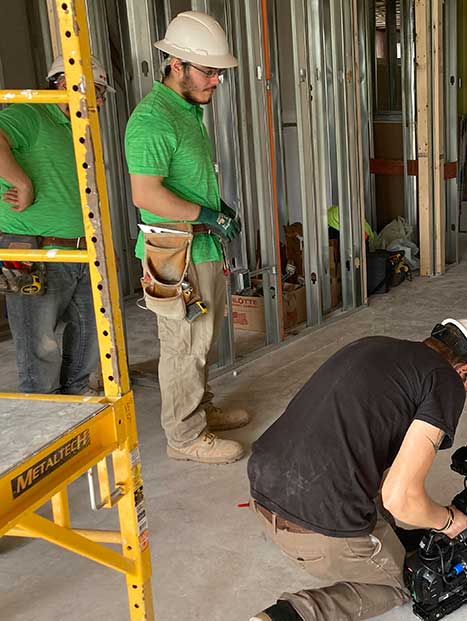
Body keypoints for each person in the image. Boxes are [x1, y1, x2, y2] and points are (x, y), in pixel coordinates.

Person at [247, 319, 467, 621]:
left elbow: (375, 460)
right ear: (464, 371)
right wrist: (449, 522)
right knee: (410, 584)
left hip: (263, 493)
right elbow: (400, 498)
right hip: (315, 527)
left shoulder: (373, 344)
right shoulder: (445, 380)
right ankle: (291, 616)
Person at [125, 11, 247, 464]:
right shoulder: (153, 119)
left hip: (197, 244)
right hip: (170, 249)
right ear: (177, 65)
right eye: (209, 71)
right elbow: (146, 192)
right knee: (182, 343)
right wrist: (207, 215)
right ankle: (185, 436)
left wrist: (214, 214)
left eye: (217, 72)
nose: (216, 80)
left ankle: (201, 409)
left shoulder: (185, 111)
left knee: (202, 336)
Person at [0, 56, 114, 394]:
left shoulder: (81, 132)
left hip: (82, 249)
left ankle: (75, 403)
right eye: (98, 91)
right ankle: (45, 421)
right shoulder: (31, 114)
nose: (101, 102)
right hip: (34, 250)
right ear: (64, 83)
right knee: (40, 348)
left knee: (92, 337)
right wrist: (22, 183)